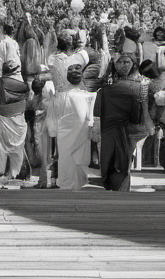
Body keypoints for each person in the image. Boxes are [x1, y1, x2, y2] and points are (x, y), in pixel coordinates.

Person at [93, 53, 144, 191]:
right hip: (109, 128)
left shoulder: (140, 83)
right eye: (120, 62)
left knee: (122, 162)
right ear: (114, 64)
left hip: (126, 129)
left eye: (127, 62)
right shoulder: (106, 84)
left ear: (133, 64)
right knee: (111, 160)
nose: (124, 65)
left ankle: (120, 191)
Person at [46, 64, 94, 190]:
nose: (74, 71)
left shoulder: (89, 95)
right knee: (66, 163)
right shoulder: (59, 95)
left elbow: (91, 118)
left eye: (77, 68)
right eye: (70, 69)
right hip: (64, 138)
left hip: (82, 137)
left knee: (79, 163)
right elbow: (52, 118)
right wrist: (53, 134)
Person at [0, 61, 29, 180]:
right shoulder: (24, 86)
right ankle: (15, 172)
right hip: (17, 118)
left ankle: (0, 171)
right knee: (17, 147)